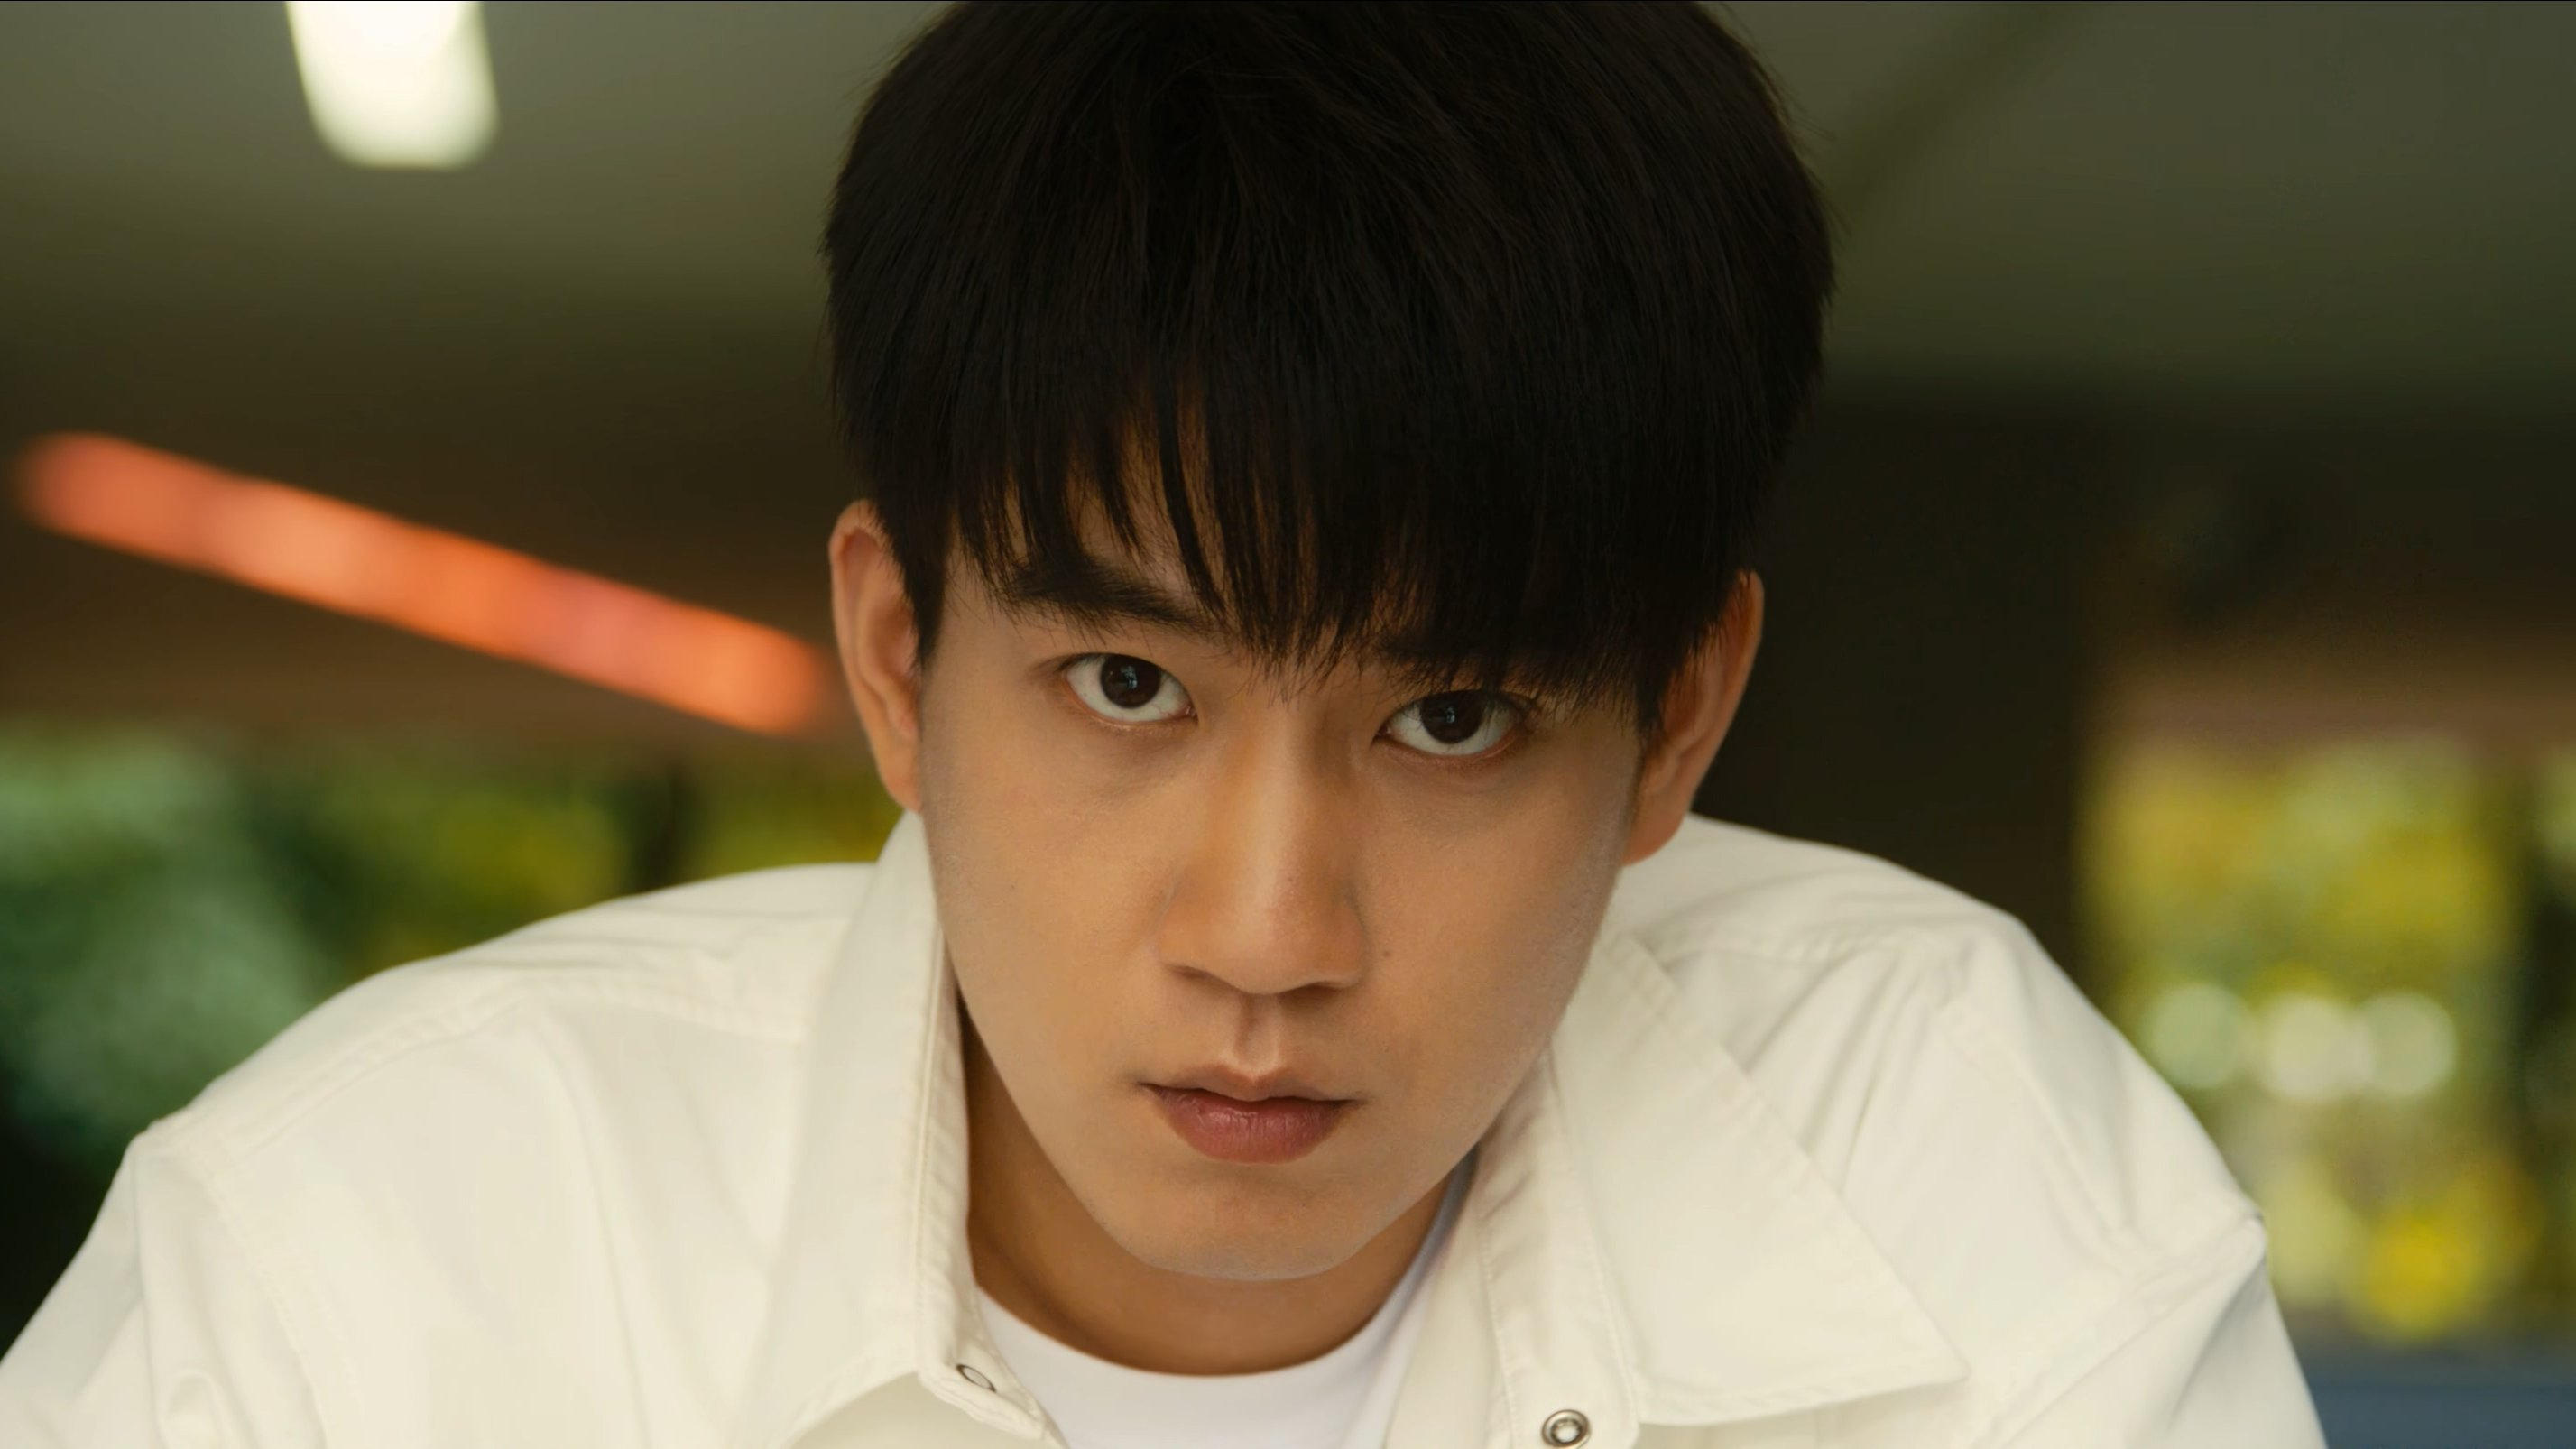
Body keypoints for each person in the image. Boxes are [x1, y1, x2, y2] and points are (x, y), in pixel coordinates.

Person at [0, 3, 2326, 1445]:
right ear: (897, 659)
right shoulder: (364, 1266)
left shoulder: (1957, 1167)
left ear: (1680, 721)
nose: (1269, 936)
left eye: (1454, 717)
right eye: (1127, 685)